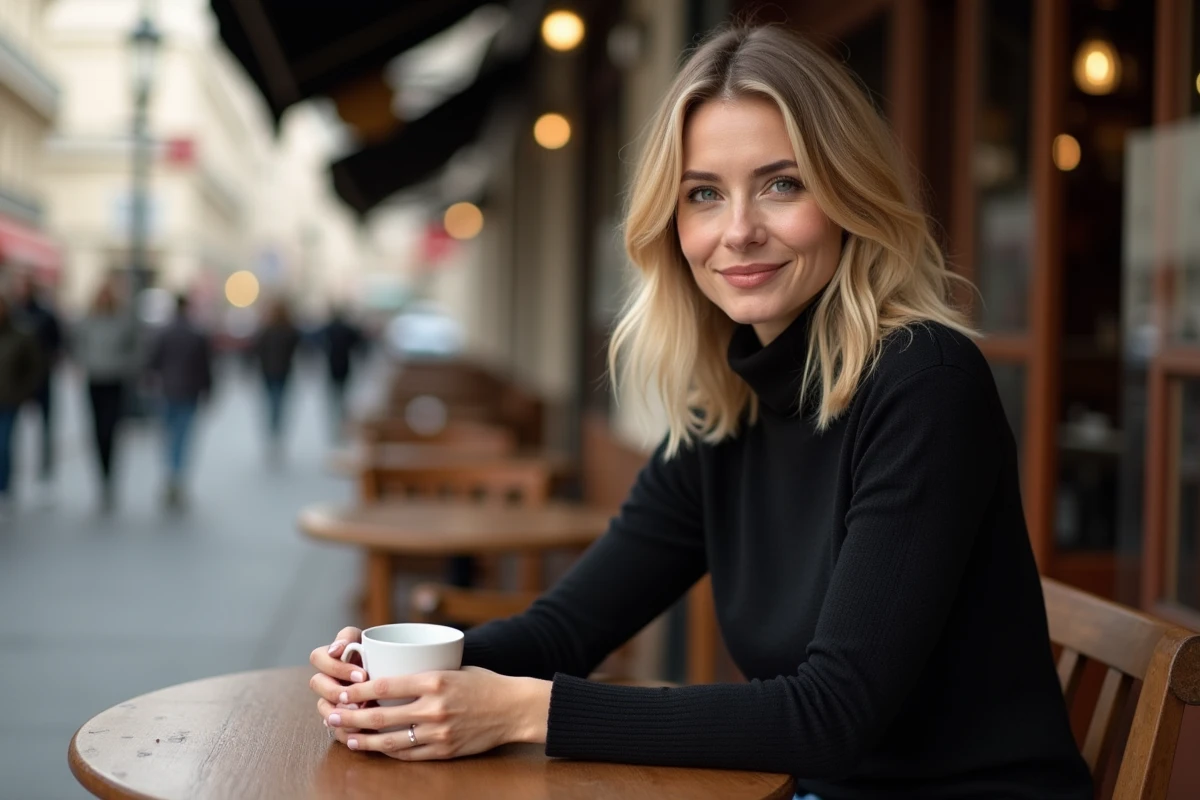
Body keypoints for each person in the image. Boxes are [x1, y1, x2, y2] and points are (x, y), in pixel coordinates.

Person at [307, 26, 1093, 800]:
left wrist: (522, 711)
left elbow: (830, 716)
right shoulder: (731, 407)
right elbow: (567, 629)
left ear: (850, 195)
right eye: (704, 194)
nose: (740, 230)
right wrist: (402, 673)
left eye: (784, 183)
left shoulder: (924, 382)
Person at [71, 281, 143, 512]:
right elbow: (77, 345)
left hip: (115, 381)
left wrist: (127, 366)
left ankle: (110, 477)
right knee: (96, 432)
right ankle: (102, 477)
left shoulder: (122, 320)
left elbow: (137, 347)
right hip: (94, 380)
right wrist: (83, 363)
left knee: (110, 430)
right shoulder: (88, 320)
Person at [146, 294, 212, 511]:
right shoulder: (197, 333)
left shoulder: (163, 332)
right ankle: (177, 476)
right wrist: (208, 390)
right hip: (189, 392)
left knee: (168, 436)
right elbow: (205, 366)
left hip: (167, 390)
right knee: (183, 437)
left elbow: (153, 361)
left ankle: (171, 475)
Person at [11, 273, 62, 498]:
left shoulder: (45, 315)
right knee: (9, 432)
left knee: (45, 428)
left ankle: (45, 476)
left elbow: (57, 343)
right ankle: (8, 481)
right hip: (15, 382)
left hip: (41, 378)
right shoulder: (12, 314)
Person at [0, 293, 44, 518]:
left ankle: (5, 489)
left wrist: (24, 392)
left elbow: (34, 367)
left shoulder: (20, 335)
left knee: (3, 444)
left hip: (9, 399)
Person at [253, 299, 300, 464]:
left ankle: (273, 434)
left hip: (268, 373)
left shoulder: (266, 330)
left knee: (272, 404)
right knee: (279, 403)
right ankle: (276, 434)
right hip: (283, 373)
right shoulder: (289, 330)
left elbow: (257, 350)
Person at [319, 306, 363, 440]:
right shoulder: (347, 329)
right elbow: (358, 342)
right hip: (345, 366)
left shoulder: (328, 329)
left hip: (332, 366)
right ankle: (341, 425)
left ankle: (335, 425)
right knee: (343, 397)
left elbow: (319, 342)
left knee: (333, 398)